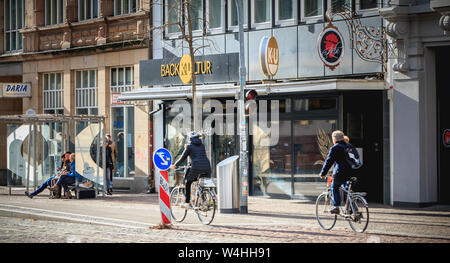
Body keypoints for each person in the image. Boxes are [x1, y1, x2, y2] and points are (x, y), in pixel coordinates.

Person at [169, 132, 211, 209]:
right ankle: (204, 201)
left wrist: (175, 165)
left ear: (190, 138)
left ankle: (187, 203)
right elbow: (199, 156)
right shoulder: (202, 146)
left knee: (188, 182)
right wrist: (191, 163)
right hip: (207, 166)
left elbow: (182, 158)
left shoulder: (189, 146)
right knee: (200, 183)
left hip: (197, 167)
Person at [319, 130, 353, 215]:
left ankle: (336, 207)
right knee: (346, 189)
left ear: (334, 140)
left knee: (334, 186)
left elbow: (328, 161)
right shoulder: (349, 146)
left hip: (341, 172)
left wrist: (323, 173)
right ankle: (353, 208)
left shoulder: (335, 148)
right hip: (354, 171)